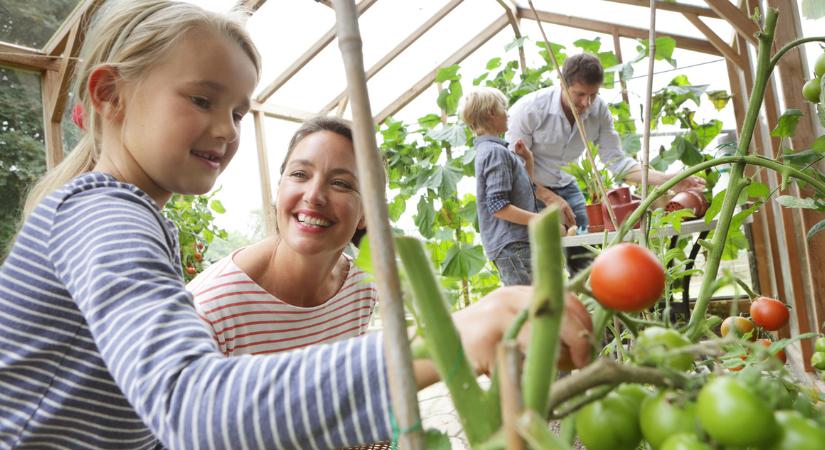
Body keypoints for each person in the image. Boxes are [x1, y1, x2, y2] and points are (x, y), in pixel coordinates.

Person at [0, 1, 591, 449]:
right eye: (202, 100)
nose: (228, 130)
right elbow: (190, 408)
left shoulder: (127, 214)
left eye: (238, 111)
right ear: (110, 94)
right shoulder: (103, 214)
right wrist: (449, 338)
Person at [188, 117, 378, 356]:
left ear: (366, 212)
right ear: (279, 190)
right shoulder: (208, 312)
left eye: (340, 183)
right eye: (300, 174)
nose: (314, 195)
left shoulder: (361, 290)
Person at [507, 53, 705, 271]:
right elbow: (515, 170)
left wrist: (668, 180)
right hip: (531, 189)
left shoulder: (598, 110)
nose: (586, 103)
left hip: (567, 186)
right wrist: (548, 196)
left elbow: (617, 162)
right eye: (579, 94)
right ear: (562, 83)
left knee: (586, 256)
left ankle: (589, 292)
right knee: (538, 262)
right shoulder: (529, 110)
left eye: (593, 94)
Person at [461, 87, 544, 286]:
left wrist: (528, 161)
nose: (507, 113)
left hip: (513, 244)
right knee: (529, 301)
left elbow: (522, 194)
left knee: (530, 300)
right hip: (514, 245)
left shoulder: (490, 150)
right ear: (491, 113)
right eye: (503, 108)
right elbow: (499, 207)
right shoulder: (495, 152)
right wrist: (541, 221)